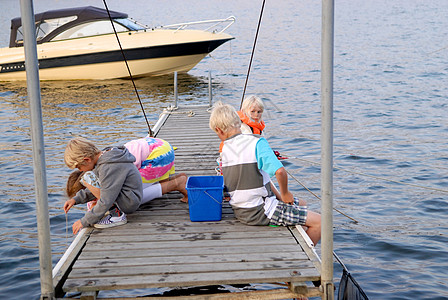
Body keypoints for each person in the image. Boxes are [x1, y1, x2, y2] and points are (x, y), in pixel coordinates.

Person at [209, 101, 321, 245]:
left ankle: (301, 236)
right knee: (320, 222)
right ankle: (306, 257)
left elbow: (264, 179)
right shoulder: (257, 142)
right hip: (260, 211)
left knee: (302, 203)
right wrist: (285, 194)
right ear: (240, 120)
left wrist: (281, 197)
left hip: (241, 209)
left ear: (219, 130)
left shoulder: (225, 149)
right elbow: (280, 171)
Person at [63, 137, 143, 234]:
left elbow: (106, 200)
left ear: (87, 159)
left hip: (128, 202)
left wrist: (84, 221)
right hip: (129, 196)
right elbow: (102, 186)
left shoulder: (108, 167)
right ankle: (113, 211)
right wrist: (75, 199)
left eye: (79, 167)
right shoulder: (106, 158)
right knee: (90, 177)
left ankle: (117, 215)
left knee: (87, 177)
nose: (80, 170)